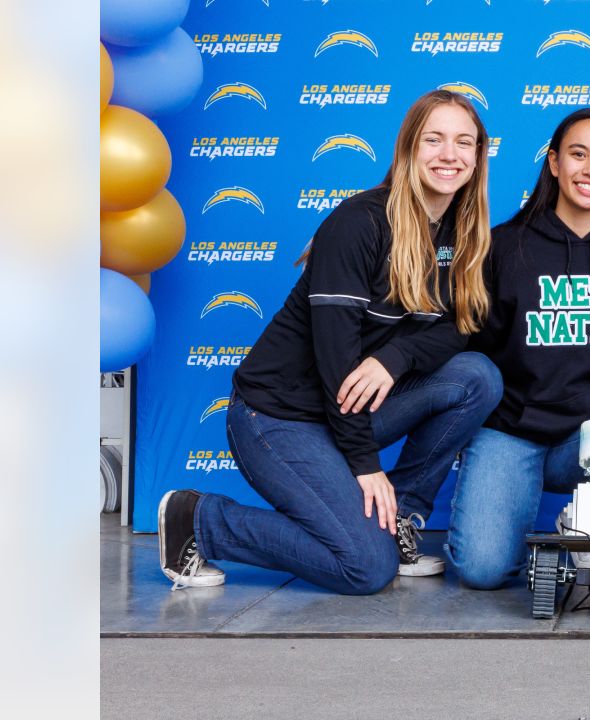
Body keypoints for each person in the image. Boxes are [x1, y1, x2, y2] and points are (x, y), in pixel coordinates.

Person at [158, 90, 503, 595]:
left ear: (477, 156)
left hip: (347, 407)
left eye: (463, 142)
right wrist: (365, 466)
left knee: (477, 376)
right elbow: (337, 361)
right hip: (278, 417)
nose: (449, 155)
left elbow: (463, 326)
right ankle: (201, 519)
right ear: (408, 147)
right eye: (434, 139)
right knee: (366, 568)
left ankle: (399, 520)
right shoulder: (359, 222)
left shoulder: (465, 232)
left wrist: (396, 356)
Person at [446, 108, 590, 590]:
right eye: (578, 154)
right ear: (553, 163)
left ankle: (587, 521)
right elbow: (469, 351)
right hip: (511, 432)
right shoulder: (505, 246)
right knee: (482, 571)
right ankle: (505, 496)